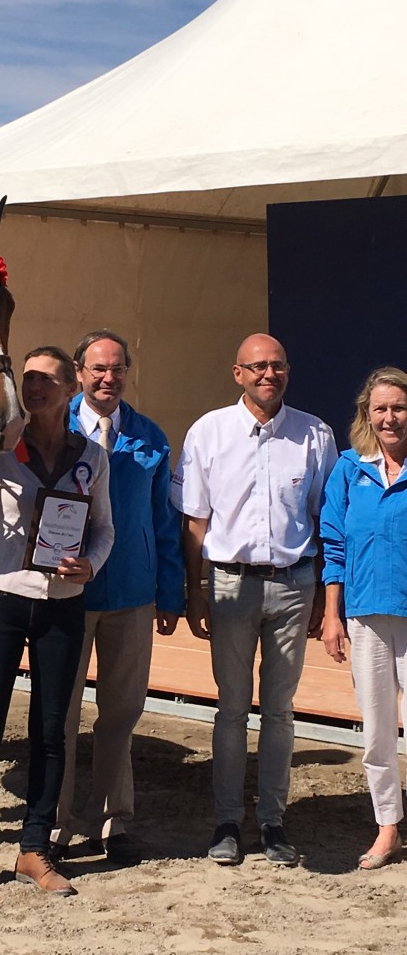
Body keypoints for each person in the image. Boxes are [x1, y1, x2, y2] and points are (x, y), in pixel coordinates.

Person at [0, 346, 114, 902]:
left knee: (52, 731)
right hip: (1, 603)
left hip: (62, 604)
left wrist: (91, 565)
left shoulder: (93, 456)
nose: (33, 388)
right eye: (27, 379)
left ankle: (35, 848)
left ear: (68, 389)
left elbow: (104, 529)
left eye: (46, 380)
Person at [171, 333, 337, 866]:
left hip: (293, 584)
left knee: (281, 711)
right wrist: (194, 593)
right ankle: (227, 820)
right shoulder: (208, 433)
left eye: (278, 366)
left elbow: (324, 522)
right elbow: (194, 523)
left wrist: (323, 600)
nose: (269, 374)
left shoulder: (315, 434)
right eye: (258, 366)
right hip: (229, 586)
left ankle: (272, 821)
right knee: (231, 708)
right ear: (237, 373)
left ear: (288, 372)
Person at [50, 330, 184, 865]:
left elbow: (164, 521)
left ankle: (112, 819)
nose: (109, 378)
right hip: (65, 595)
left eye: (118, 369)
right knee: (57, 714)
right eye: (98, 369)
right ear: (78, 373)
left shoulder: (150, 437)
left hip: (131, 593)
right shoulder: (49, 431)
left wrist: (170, 592)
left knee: (121, 712)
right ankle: (53, 822)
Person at [320, 366, 407, 870]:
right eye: (381, 408)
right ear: (366, 414)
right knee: (376, 731)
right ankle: (388, 826)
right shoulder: (350, 468)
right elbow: (334, 544)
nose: (390, 417)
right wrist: (332, 615)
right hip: (366, 616)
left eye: (398, 407)